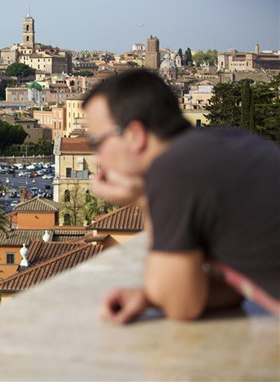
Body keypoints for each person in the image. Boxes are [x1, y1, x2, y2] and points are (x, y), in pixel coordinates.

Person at [82, 69, 280, 324]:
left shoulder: (173, 172)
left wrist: (144, 199)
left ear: (134, 136)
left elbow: (182, 307)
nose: (97, 159)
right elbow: (231, 289)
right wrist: (151, 297)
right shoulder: (229, 141)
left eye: (97, 144)